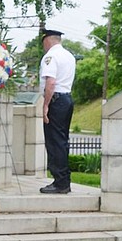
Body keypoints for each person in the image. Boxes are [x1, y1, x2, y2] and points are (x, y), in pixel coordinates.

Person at [39, 30, 76, 194]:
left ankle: (60, 182)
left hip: (55, 100)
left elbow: (51, 82)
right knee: (62, 141)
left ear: (47, 41)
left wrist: (46, 105)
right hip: (66, 99)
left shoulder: (50, 57)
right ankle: (64, 180)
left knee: (54, 142)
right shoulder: (69, 56)